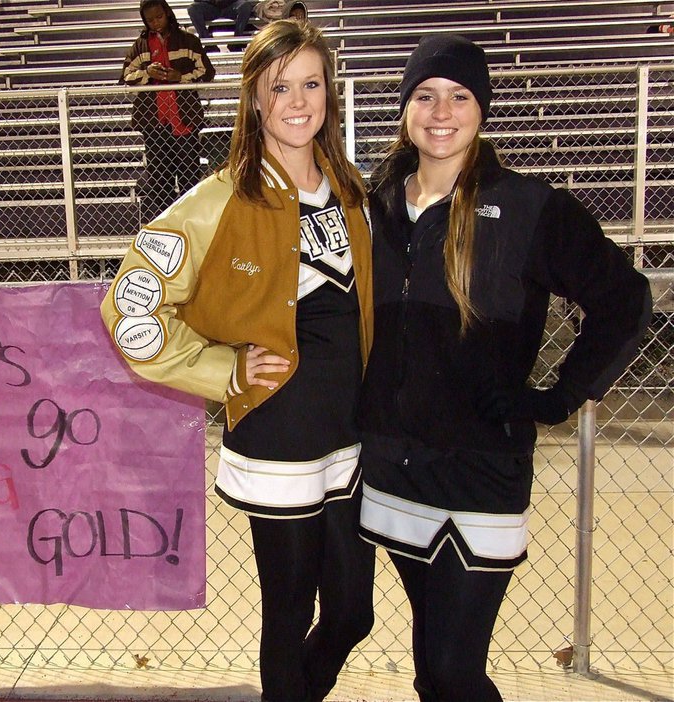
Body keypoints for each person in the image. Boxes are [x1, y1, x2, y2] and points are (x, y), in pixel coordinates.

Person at [357, 34, 652, 702]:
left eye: (460, 96)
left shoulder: (527, 205)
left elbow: (626, 301)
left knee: (458, 670)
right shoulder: (372, 205)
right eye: (425, 95)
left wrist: (557, 398)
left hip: (480, 473)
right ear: (404, 107)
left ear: (482, 109)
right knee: (432, 668)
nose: (441, 111)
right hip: (391, 470)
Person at [102, 20, 375, 702]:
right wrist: (221, 371)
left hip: (353, 435)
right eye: (279, 86)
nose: (297, 100)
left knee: (352, 612)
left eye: (311, 83)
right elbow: (130, 309)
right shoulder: (217, 198)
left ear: (329, 94)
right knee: (289, 616)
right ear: (255, 99)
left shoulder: (352, 189)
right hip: (278, 436)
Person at [121, 0, 215, 221]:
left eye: (159, 17)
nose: (156, 23)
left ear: (168, 14)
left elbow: (206, 72)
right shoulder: (140, 45)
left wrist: (180, 78)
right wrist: (147, 72)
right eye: (150, 20)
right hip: (154, 124)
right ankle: (165, 226)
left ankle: (191, 223)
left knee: (189, 178)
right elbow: (127, 76)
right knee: (159, 180)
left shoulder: (188, 40)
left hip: (184, 122)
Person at [187, 0, 257, 49]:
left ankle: (236, 42)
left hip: (231, 5)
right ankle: (209, 44)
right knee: (193, 9)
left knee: (245, 6)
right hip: (211, 6)